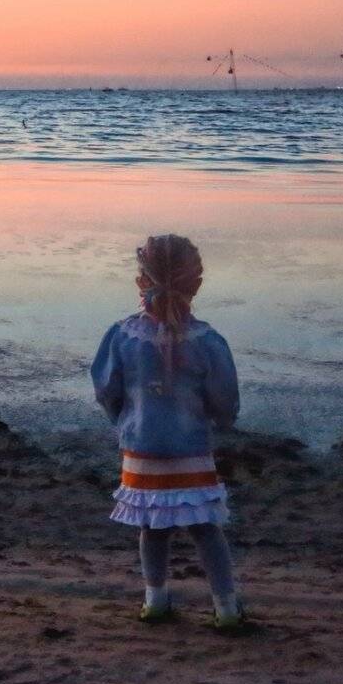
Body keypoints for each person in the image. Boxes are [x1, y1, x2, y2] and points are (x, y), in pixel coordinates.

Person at [89, 234, 244, 630]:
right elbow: (225, 399)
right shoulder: (207, 341)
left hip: (142, 448)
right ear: (197, 285)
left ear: (141, 282)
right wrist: (219, 423)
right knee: (206, 528)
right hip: (191, 448)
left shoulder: (122, 337)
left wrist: (124, 421)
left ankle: (155, 601)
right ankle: (226, 608)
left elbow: (106, 389)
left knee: (152, 528)